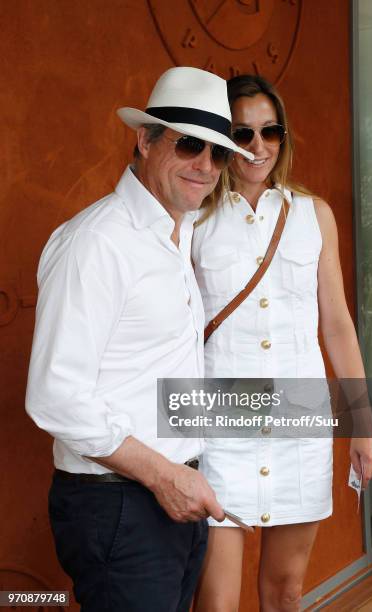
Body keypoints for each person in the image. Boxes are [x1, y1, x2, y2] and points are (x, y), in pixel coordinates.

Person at [25, 66, 254, 612]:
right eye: (190, 144)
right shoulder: (97, 243)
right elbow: (55, 396)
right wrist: (165, 476)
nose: (205, 165)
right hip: (120, 506)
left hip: (170, 498)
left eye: (218, 153)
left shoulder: (177, 235)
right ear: (145, 139)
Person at [191, 74, 372, 612]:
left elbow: (338, 325)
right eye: (243, 133)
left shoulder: (313, 215)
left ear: (284, 136)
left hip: (300, 419)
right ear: (223, 137)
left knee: (287, 592)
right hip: (220, 424)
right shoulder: (195, 218)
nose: (258, 147)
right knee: (216, 600)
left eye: (270, 131)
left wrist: (364, 429)